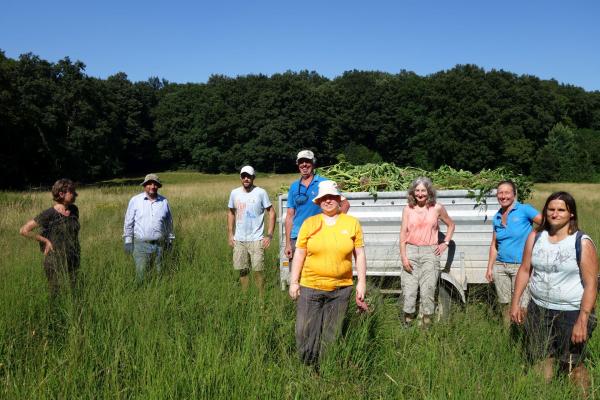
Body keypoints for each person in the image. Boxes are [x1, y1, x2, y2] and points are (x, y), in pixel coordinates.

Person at [511, 192, 597, 395]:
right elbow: (525, 270)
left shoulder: (581, 242)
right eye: (551, 209)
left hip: (571, 312)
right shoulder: (535, 236)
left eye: (561, 210)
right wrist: (516, 303)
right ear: (545, 211)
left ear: (571, 214)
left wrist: (582, 320)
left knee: (572, 364)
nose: (555, 214)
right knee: (541, 358)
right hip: (538, 309)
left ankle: (584, 396)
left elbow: (591, 283)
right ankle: (542, 394)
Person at [289, 180, 367, 366]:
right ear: (319, 201)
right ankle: (307, 367)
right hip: (310, 287)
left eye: (332, 196)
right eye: (324, 197)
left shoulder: (352, 223)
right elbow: (299, 253)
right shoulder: (309, 223)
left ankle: (326, 368)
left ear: (339, 200)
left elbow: (360, 254)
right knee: (304, 331)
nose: (328, 200)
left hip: (340, 290)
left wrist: (361, 282)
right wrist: (294, 281)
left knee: (331, 333)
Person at [399, 177, 455, 328]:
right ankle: (407, 324)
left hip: (430, 253)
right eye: (417, 190)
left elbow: (451, 225)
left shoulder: (437, 208)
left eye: (423, 190)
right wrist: (404, 257)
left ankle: (426, 325)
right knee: (409, 291)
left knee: (428, 290)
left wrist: (445, 243)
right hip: (411, 251)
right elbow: (403, 234)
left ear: (429, 191)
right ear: (413, 192)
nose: (420, 193)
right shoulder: (407, 209)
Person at [485, 180, 542, 325]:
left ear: (514, 194)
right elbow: (494, 244)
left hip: (521, 267)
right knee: (505, 304)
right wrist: (490, 267)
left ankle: (521, 336)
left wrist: (534, 234)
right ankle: (507, 334)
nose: (503, 196)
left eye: (507, 192)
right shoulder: (497, 217)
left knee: (522, 306)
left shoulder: (524, 210)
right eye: (500, 193)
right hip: (500, 267)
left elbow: (546, 223)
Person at [284, 150, 350, 260]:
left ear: (313, 163)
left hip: (319, 235)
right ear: (298, 164)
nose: (304, 165)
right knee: (297, 274)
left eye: (307, 161)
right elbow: (290, 215)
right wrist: (287, 243)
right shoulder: (294, 187)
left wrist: (334, 223)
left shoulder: (324, 183)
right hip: (297, 236)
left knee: (318, 272)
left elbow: (345, 204)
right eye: (301, 162)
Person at [19, 178, 80, 296]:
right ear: (61, 194)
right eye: (71, 191)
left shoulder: (74, 210)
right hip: (55, 261)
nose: (75, 194)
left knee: (73, 291)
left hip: (73, 257)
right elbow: (23, 230)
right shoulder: (49, 214)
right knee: (55, 293)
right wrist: (45, 240)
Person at [227, 165, 276, 294]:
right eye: (244, 176)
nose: (246, 178)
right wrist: (230, 234)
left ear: (253, 177)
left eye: (249, 176)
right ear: (240, 177)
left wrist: (269, 235)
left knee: (258, 271)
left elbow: (271, 212)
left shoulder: (261, 192)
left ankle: (261, 301)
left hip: (257, 239)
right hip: (239, 240)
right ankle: (245, 298)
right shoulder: (234, 193)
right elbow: (231, 213)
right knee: (242, 271)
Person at [123, 173, 174, 283]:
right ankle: (140, 294)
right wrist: (128, 241)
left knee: (159, 273)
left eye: (155, 184)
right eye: (149, 184)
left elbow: (169, 223)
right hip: (141, 245)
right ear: (144, 185)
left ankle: (158, 294)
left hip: (160, 245)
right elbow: (128, 222)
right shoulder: (135, 200)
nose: (152, 186)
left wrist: (169, 241)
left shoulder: (164, 201)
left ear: (158, 186)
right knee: (141, 275)